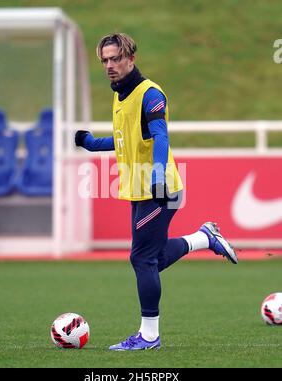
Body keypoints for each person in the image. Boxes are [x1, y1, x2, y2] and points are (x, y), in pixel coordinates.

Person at [75, 33, 238, 351]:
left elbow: (161, 136)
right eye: (105, 60)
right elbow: (126, 139)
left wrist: (159, 175)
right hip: (139, 191)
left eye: (115, 59)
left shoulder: (149, 93)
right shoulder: (120, 95)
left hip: (160, 190)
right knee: (152, 257)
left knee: (141, 258)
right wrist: (94, 144)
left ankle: (149, 336)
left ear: (130, 59)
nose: (109, 65)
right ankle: (204, 238)